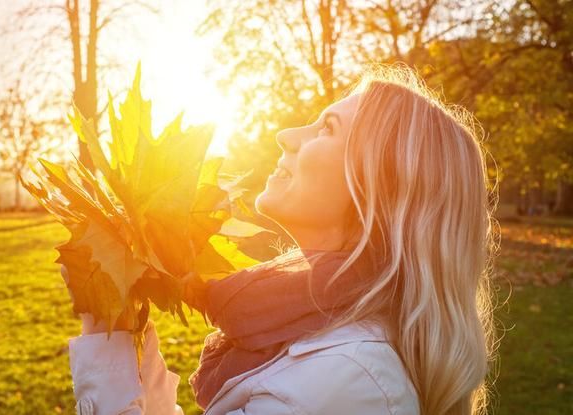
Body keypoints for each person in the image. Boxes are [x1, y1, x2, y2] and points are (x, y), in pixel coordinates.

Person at [65, 64, 498, 415]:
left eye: (326, 129)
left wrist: (103, 337)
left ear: (382, 187)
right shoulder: (312, 329)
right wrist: (118, 324)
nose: (286, 136)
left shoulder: (343, 382)